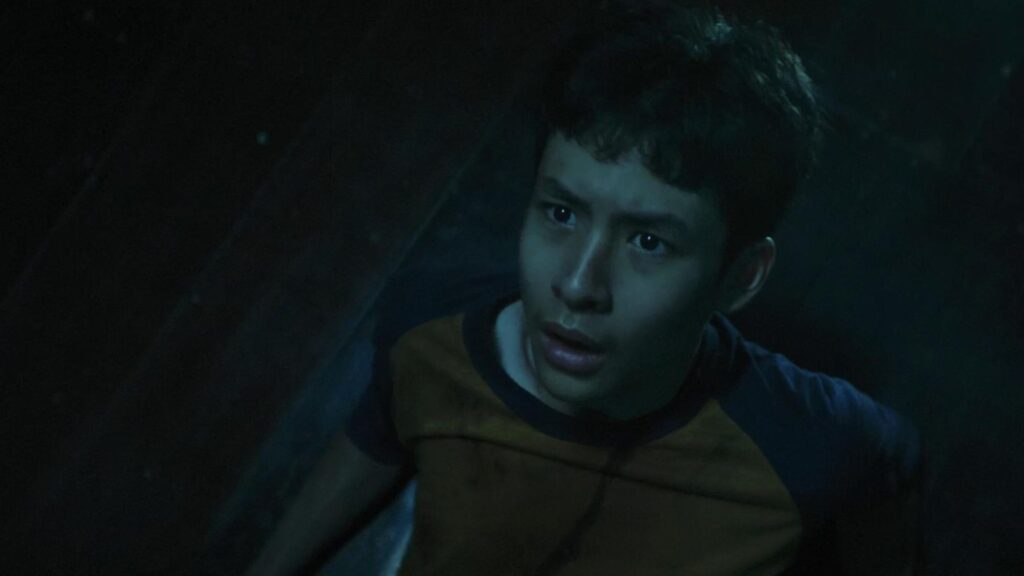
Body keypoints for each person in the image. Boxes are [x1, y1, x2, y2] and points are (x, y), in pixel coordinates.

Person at [248, 2, 923, 574]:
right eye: (562, 213)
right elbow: (381, 428)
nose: (576, 285)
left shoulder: (818, 447)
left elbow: (885, 482)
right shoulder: (430, 330)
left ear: (740, 277)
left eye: (648, 241)